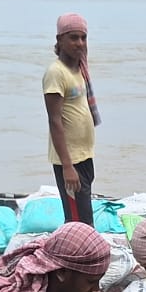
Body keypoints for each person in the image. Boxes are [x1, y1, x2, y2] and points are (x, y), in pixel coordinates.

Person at [43, 12, 100, 226]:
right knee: (78, 223)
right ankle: (78, 258)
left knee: (85, 218)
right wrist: (67, 167)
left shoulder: (78, 70)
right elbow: (54, 122)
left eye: (83, 38)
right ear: (60, 40)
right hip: (70, 161)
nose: (80, 43)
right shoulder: (56, 73)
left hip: (84, 156)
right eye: (73, 37)